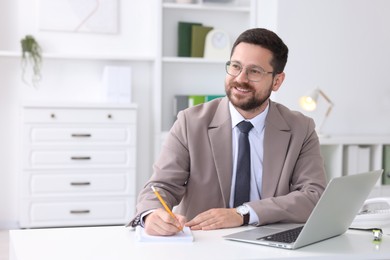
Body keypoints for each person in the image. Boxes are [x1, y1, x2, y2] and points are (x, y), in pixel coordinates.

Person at [129, 28, 327, 236]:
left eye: (254, 71)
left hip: (270, 241)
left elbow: (313, 196)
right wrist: (151, 215)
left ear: (277, 81)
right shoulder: (190, 122)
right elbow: (161, 186)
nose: (240, 79)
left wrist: (243, 214)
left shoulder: (301, 128)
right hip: (203, 242)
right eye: (235, 67)